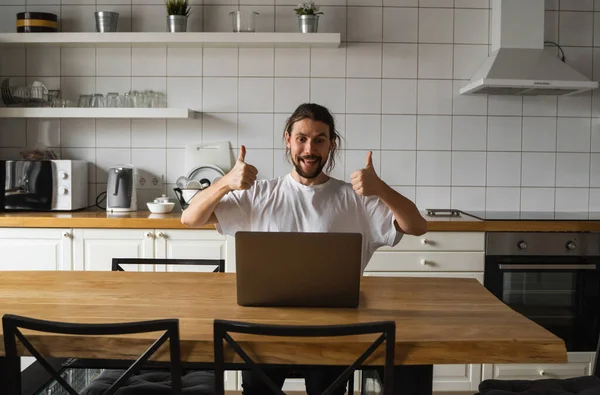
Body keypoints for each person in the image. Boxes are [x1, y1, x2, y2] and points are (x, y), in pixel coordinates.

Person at [181, 102, 427, 395]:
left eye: (319, 140)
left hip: (334, 331)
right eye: (302, 138)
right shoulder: (259, 194)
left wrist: (381, 188)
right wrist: (225, 183)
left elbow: (416, 226)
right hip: (264, 329)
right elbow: (190, 217)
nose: (310, 149)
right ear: (288, 139)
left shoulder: (357, 199)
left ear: (331, 145)